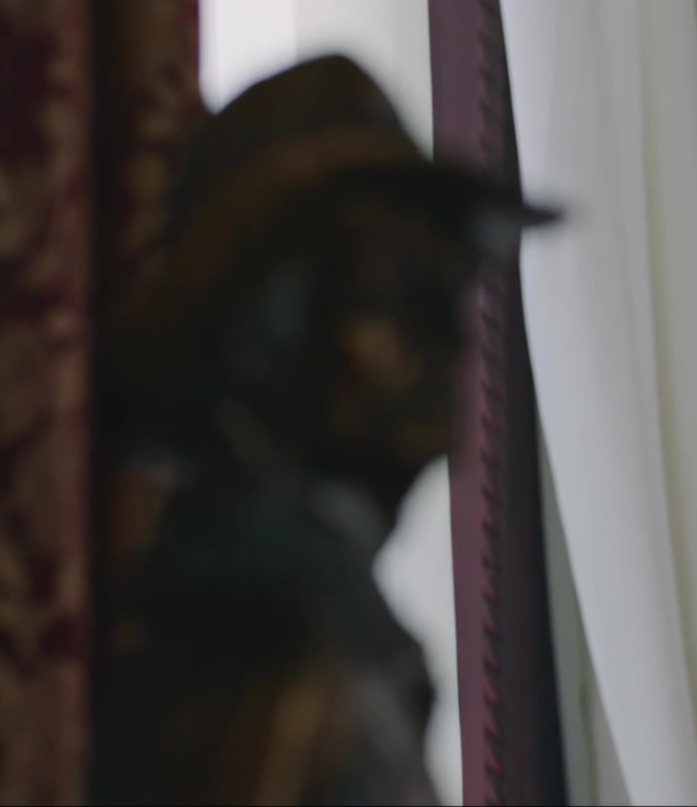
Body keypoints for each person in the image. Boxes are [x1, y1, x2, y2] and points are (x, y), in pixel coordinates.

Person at [90, 55, 553, 805]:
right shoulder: (268, 670)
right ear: (275, 321)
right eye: (399, 297)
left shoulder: (324, 627)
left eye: (451, 296)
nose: (453, 341)